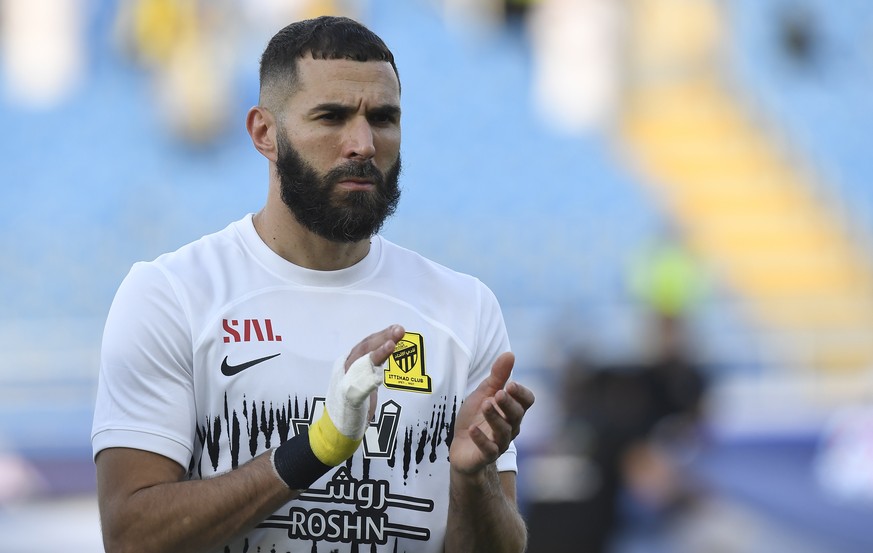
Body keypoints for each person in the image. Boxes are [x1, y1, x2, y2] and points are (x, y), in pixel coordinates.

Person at [90, 15, 535, 553]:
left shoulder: (464, 308)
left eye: (384, 118)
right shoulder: (172, 295)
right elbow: (131, 536)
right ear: (264, 133)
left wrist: (472, 479)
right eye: (332, 117)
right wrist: (320, 445)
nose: (363, 143)